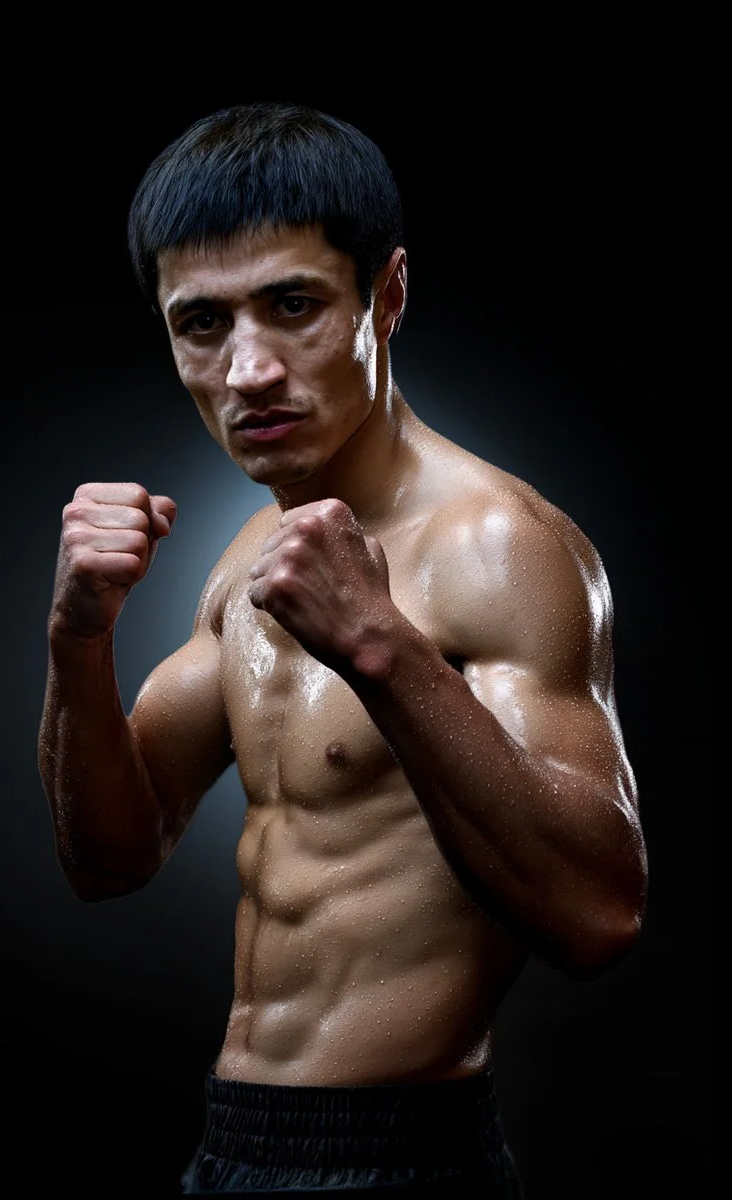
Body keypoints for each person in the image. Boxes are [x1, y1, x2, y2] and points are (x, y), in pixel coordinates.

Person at [38, 100, 648, 1196]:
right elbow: (111, 855)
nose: (249, 370)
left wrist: (384, 649)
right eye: (202, 323)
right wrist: (78, 642)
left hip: (403, 1157)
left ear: (389, 297)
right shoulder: (244, 558)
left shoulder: (497, 546)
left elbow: (600, 916)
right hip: (233, 1143)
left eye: (292, 306)